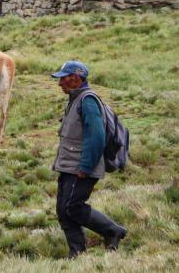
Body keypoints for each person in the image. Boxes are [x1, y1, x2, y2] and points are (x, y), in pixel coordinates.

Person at [50, 60, 127, 259]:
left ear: (75, 78)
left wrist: (85, 166)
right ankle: (77, 253)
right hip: (69, 166)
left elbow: (97, 136)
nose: (60, 84)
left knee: (73, 207)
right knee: (63, 210)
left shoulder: (88, 100)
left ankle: (112, 231)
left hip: (81, 167)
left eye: (63, 79)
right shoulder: (75, 99)